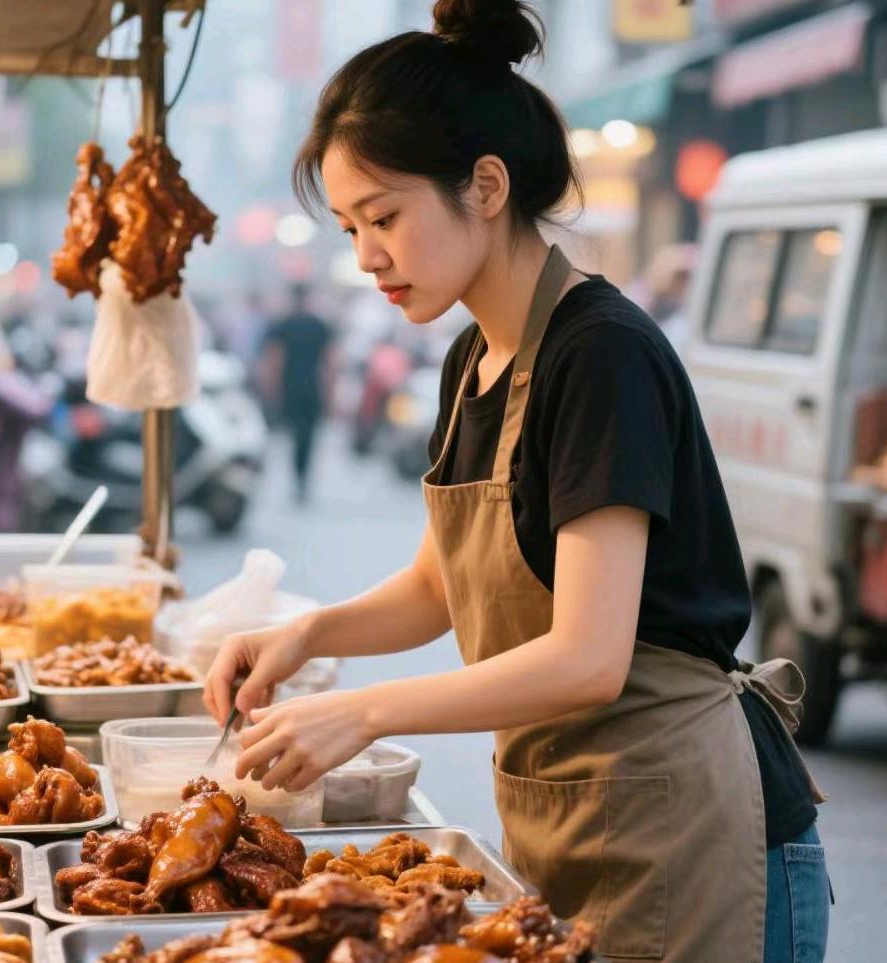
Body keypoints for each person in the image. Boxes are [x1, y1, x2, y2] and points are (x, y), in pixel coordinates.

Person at [205, 3, 829, 960]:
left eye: (384, 217)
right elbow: (438, 585)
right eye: (348, 226)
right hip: (575, 821)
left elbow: (587, 656)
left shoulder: (599, 354)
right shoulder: (473, 356)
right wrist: (305, 634)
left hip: (691, 833)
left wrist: (361, 710)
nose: (366, 254)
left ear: (485, 186)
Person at [260, 283, 336, 503]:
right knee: (308, 436)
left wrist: (271, 389)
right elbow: (331, 363)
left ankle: (298, 476)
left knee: (295, 434)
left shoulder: (283, 324)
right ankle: (302, 477)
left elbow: (275, 359)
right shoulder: (320, 325)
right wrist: (330, 393)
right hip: (312, 387)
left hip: (290, 386)